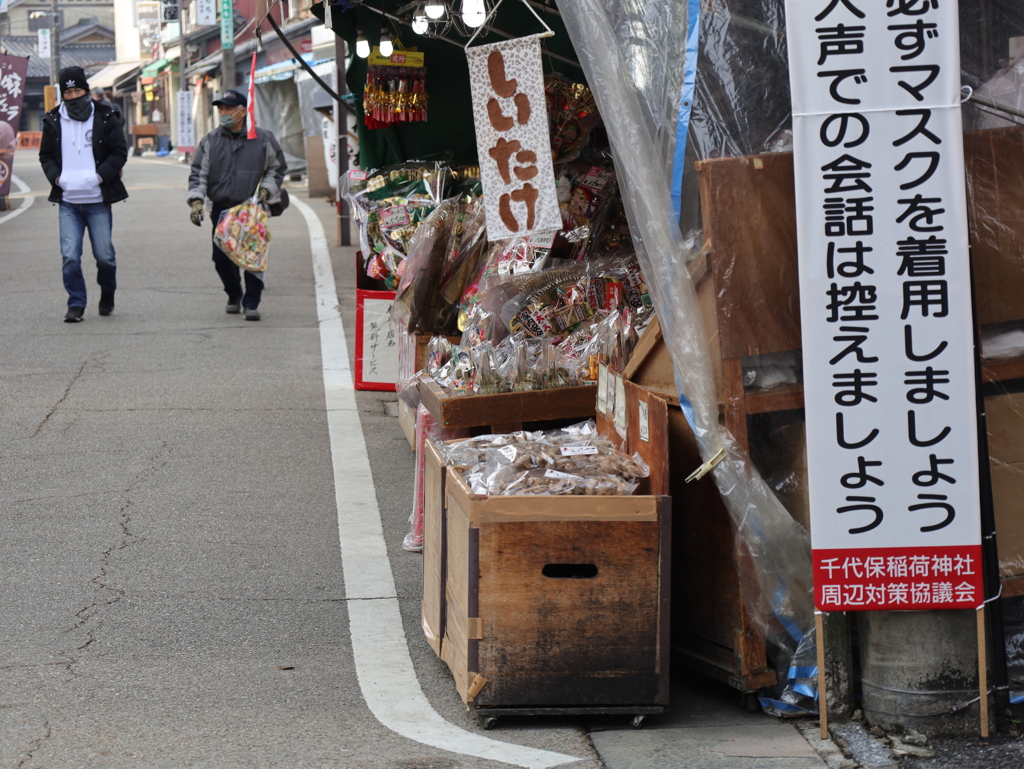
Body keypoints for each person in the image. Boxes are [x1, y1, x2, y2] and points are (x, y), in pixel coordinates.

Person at [187, 89, 286, 321]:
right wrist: (196, 201)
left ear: (243, 112)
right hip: (222, 209)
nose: (223, 112)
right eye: (221, 108)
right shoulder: (210, 140)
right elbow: (198, 173)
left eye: (228, 108)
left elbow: (277, 168)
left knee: (253, 256)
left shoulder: (264, 139)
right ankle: (233, 294)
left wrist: (267, 190)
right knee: (221, 258)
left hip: (252, 208)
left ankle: (252, 303)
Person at [39, 66, 128, 322]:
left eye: (78, 90)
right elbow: (45, 155)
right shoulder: (53, 120)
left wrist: (99, 176)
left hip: (98, 201)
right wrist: (57, 177)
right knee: (69, 256)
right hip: (68, 203)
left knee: (105, 257)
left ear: (86, 91)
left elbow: (119, 152)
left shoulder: (105, 115)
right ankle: (76, 303)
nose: (74, 95)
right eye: (68, 92)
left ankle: (107, 293)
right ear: (62, 94)